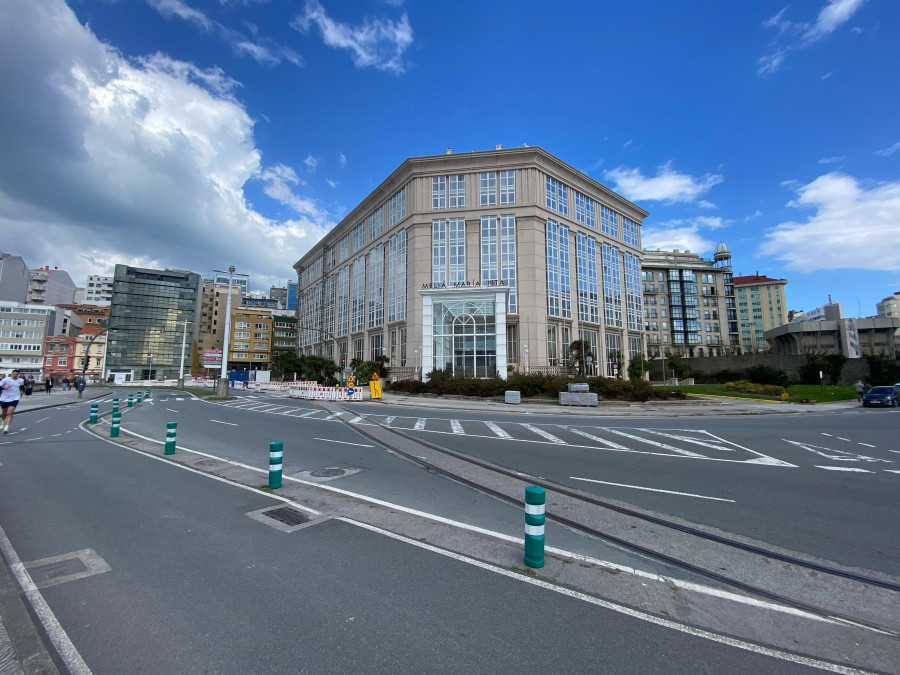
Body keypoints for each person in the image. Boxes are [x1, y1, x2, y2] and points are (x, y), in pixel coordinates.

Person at [0, 369, 24, 434]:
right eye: (14, 374)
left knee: (10, 412)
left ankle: (6, 428)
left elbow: (22, 386)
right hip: (4, 398)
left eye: (16, 374)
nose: (15, 376)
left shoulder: (21, 380)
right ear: (11, 374)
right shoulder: (5, 380)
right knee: (3, 413)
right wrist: (4, 388)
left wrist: (22, 390)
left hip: (15, 398)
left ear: (18, 375)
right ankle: (3, 420)